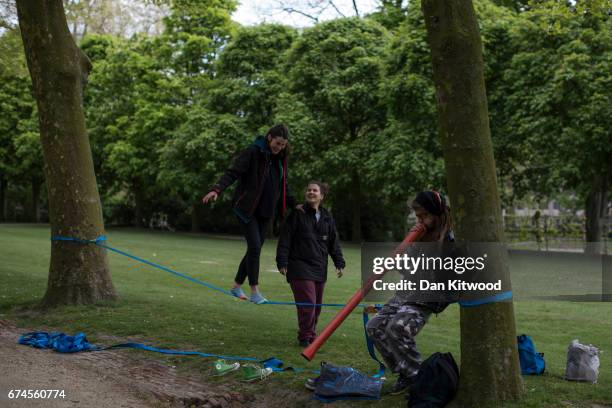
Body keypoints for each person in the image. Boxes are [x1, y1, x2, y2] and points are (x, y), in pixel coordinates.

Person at [365, 190, 454, 395]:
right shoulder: (421, 235)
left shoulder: (449, 240)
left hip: (428, 298)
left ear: (436, 213)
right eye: (417, 216)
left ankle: (417, 377)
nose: (420, 220)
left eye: (423, 215)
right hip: (407, 292)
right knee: (375, 326)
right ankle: (405, 373)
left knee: (397, 328)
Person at [202, 124, 296, 304]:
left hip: (265, 212)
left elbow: (284, 186)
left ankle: (236, 287)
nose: (279, 147)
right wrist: (217, 189)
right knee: (254, 247)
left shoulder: (280, 160)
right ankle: (255, 291)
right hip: (246, 209)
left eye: (283, 145)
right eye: (277, 143)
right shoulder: (253, 152)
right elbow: (233, 172)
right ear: (269, 137)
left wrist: (295, 204)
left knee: (255, 248)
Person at [276, 181, 345, 347]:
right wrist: (282, 260)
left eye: (315, 190)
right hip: (299, 266)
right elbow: (285, 239)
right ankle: (306, 337)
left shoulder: (327, 217)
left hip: (320, 267)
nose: (311, 192)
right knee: (308, 304)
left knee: (316, 306)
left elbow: (333, 242)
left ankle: (309, 335)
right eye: (309, 190)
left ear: (321, 195)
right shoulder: (296, 214)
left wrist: (339, 262)